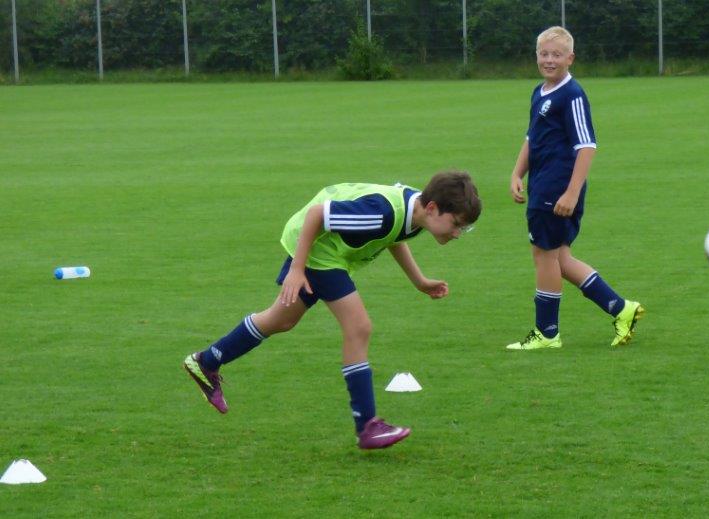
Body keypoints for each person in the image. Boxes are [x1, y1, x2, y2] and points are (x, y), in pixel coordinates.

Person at [183, 171, 482, 449]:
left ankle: (206, 361)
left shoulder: (415, 213)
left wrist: (419, 281)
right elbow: (318, 215)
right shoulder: (382, 212)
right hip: (318, 251)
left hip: (328, 251)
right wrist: (297, 269)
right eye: (456, 224)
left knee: (281, 320)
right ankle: (367, 425)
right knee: (359, 327)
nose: (457, 233)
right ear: (432, 208)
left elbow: (393, 236)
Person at [506, 26, 643, 351]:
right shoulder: (540, 92)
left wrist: (571, 192)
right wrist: (517, 172)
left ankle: (547, 333)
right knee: (560, 258)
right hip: (543, 185)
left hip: (556, 188)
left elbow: (586, 146)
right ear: (536, 56)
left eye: (556, 54)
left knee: (544, 255)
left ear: (571, 58)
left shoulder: (572, 95)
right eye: (544, 54)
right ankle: (621, 308)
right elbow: (532, 137)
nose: (549, 60)